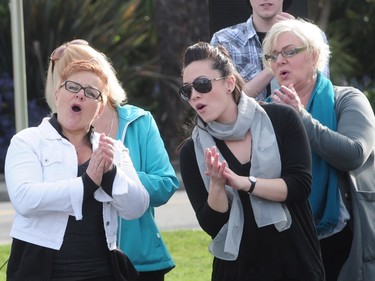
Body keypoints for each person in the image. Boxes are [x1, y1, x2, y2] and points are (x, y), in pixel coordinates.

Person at [178, 42, 325, 281]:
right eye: (187, 90)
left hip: (295, 263)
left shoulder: (281, 118)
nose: (194, 95)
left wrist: (245, 183)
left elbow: (299, 186)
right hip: (237, 270)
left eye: (202, 84)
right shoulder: (192, 151)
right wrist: (217, 185)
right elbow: (212, 226)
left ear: (229, 83)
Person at [45, 39, 179, 281]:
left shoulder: (139, 121)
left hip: (140, 261)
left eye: (88, 80)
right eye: (71, 83)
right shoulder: (46, 136)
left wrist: (116, 175)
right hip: (79, 266)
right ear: (58, 88)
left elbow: (166, 185)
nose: (80, 92)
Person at [5, 59, 150, 280]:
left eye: (92, 93)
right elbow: (25, 199)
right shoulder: (27, 141)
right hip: (40, 271)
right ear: (56, 95)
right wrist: (87, 183)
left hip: (102, 271)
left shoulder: (112, 149)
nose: (80, 95)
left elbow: (137, 207)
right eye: (72, 87)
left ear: (100, 109)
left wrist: (110, 173)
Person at [262, 18, 375, 281]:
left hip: (344, 237)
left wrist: (300, 117)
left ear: (314, 56)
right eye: (273, 55)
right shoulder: (266, 111)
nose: (281, 60)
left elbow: (354, 154)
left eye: (290, 51)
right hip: (287, 239)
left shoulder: (347, 99)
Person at [210, 0, 330, 100]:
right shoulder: (224, 40)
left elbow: (321, 91)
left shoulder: (311, 35)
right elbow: (224, 102)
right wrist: (274, 65)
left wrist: (296, 38)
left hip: (300, 122)